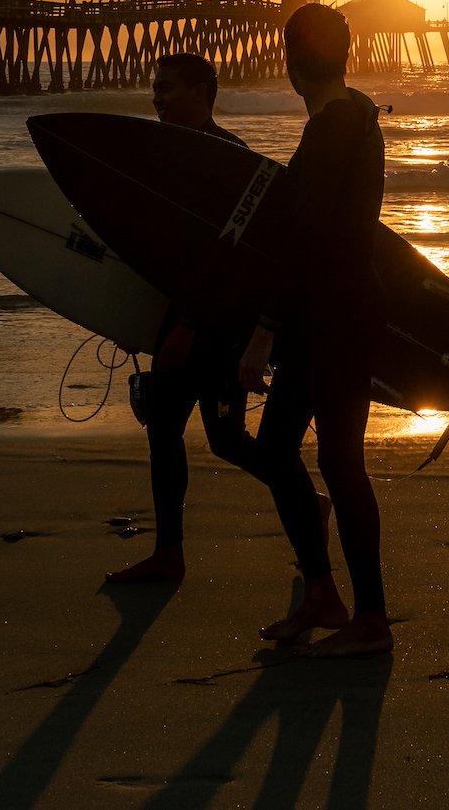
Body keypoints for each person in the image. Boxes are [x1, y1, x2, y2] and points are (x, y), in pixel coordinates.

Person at [237, 3, 393, 657]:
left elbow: (308, 241)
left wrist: (263, 330)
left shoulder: (332, 129)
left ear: (292, 65)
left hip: (327, 320)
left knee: (335, 463)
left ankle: (370, 620)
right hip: (344, 313)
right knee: (289, 451)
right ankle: (328, 595)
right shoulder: (359, 114)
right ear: (347, 54)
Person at [106, 52, 276, 584]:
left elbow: (228, 261)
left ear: (204, 92)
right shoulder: (166, 156)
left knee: (223, 438)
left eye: (169, 88)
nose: (156, 97)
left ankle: (304, 498)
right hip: (181, 318)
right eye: (154, 87)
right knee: (165, 429)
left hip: (216, 329)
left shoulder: (228, 158)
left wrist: (187, 327)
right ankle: (169, 552)